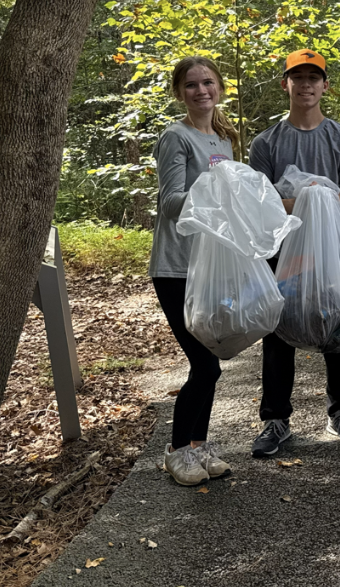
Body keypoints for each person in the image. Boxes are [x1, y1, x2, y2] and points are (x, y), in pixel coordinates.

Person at [247, 50, 340, 457]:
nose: (306, 85)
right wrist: (309, 200)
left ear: (325, 85)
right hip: (284, 251)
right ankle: (275, 420)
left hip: (331, 248)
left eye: (314, 78)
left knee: (339, 327)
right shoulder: (266, 142)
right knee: (278, 334)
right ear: (286, 84)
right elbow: (260, 200)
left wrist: (318, 201)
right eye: (298, 77)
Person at [149, 56, 238, 485]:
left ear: (219, 87)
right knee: (205, 365)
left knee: (211, 362)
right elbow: (170, 204)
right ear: (179, 92)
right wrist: (218, 190)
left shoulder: (222, 139)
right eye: (191, 85)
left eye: (207, 82)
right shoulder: (175, 137)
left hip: (211, 267)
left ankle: (198, 447)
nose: (201, 91)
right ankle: (176, 451)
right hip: (177, 268)